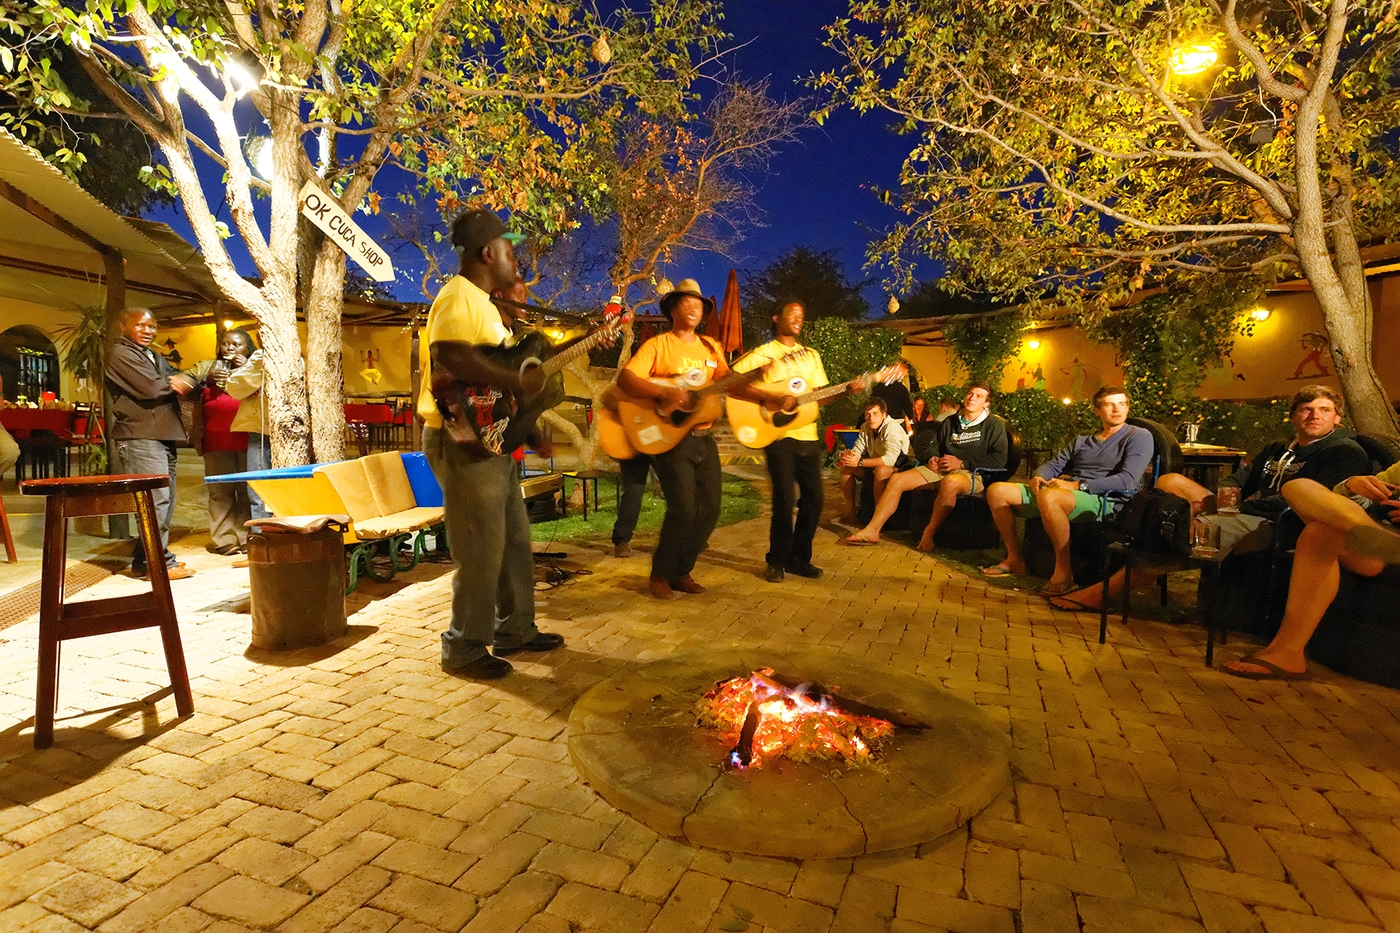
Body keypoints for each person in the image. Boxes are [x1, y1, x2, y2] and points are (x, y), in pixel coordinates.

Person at [1048, 386, 1369, 611]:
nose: (1314, 415)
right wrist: (1227, 497)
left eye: (1324, 411)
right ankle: (1168, 526)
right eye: (1306, 409)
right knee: (1171, 482)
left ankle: (1103, 590)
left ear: (1337, 418)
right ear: (1294, 416)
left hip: (1276, 523)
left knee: (1183, 533)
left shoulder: (1341, 451)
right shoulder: (1278, 449)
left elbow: (1321, 503)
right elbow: (1239, 478)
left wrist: (1238, 509)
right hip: (1243, 511)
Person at [417, 207, 564, 679]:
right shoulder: (459, 296)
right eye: (510, 250)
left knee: (514, 541)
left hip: (488, 443)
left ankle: (516, 629)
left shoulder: (483, 303)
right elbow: (452, 358)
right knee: (480, 548)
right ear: (488, 252)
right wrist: (514, 380)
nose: (515, 259)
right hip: (460, 443)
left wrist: (529, 427)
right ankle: (463, 648)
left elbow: (492, 393)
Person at [617, 278, 790, 599]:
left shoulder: (711, 348)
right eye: (687, 302)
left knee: (710, 509)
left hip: (704, 437)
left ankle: (681, 571)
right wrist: (667, 390)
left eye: (699, 304)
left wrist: (766, 394)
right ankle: (659, 574)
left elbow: (730, 384)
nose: (695, 307)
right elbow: (626, 378)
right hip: (672, 439)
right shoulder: (658, 345)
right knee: (683, 508)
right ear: (672, 309)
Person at [1220, 466, 1400, 679]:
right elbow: (1341, 500)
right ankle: (1288, 655)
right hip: (1378, 540)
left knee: (1322, 531)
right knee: (1300, 493)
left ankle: (1377, 539)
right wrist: (1351, 486)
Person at [982, 385, 1153, 596]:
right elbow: (1053, 465)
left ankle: (1064, 573)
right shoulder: (1082, 441)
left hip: (1105, 499)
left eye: (1122, 404)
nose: (1117, 409)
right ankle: (1014, 559)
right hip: (1065, 494)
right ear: (1097, 410)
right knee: (997, 490)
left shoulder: (1139, 436)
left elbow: (1127, 480)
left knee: (1049, 496)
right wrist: (1039, 476)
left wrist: (1076, 486)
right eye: (1109, 404)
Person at [733, 300, 854, 583]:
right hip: (778, 436)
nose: (800, 318)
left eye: (803, 314)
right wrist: (771, 397)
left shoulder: (811, 355)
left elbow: (819, 396)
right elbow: (733, 383)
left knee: (815, 499)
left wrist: (847, 390)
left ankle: (799, 558)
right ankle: (776, 560)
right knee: (784, 499)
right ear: (777, 318)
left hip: (808, 436)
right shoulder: (764, 353)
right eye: (793, 313)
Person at [846, 382, 1008, 549]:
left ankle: (928, 533)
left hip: (971, 472)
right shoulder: (951, 421)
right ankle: (873, 529)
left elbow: (999, 458)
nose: (972, 398)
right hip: (941, 468)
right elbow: (934, 445)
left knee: (950, 483)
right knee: (897, 479)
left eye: (979, 396)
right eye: (970, 394)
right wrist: (932, 457)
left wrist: (962, 463)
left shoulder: (993, 425)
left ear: (986, 403)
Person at [105, 307, 198, 580]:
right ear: (124, 325)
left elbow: (180, 379)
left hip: (162, 435)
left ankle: (147, 561)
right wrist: (180, 381)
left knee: (162, 501)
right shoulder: (120, 353)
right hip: (140, 436)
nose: (148, 331)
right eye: (141, 325)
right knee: (155, 502)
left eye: (152, 326)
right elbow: (153, 388)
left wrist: (185, 378)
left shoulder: (152, 355)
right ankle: (160, 565)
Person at [186, 329, 255, 555]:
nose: (230, 348)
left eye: (237, 344)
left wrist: (246, 368)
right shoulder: (209, 368)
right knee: (220, 492)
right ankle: (224, 539)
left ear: (248, 348)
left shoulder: (254, 369)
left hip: (248, 440)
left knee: (247, 492)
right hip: (215, 441)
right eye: (226, 344)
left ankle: (246, 537)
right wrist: (207, 379)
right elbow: (186, 385)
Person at [838, 397, 910, 524]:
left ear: (884, 414)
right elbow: (859, 447)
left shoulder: (892, 428)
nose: (871, 418)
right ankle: (851, 510)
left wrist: (860, 462)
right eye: (868, 414)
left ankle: (879, 517)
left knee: (881, 471)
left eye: (875, 414)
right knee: (846, 469)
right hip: (874, 464)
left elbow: (890, 459)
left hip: (897, 467)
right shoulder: (865, 427)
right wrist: (849, 456)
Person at [226, 347, 269, 520]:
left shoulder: (261, 357)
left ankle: (262, 540)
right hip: (288, 429)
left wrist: (247, 368)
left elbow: (235, 388)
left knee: (259, 490)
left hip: (262, 430)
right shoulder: (302, 356)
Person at [610, 452, 652, 558]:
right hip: (635, 447)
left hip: (663, 443)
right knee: (633, 492)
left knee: (676, 491)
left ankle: (682, 540)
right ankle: (621, 539)